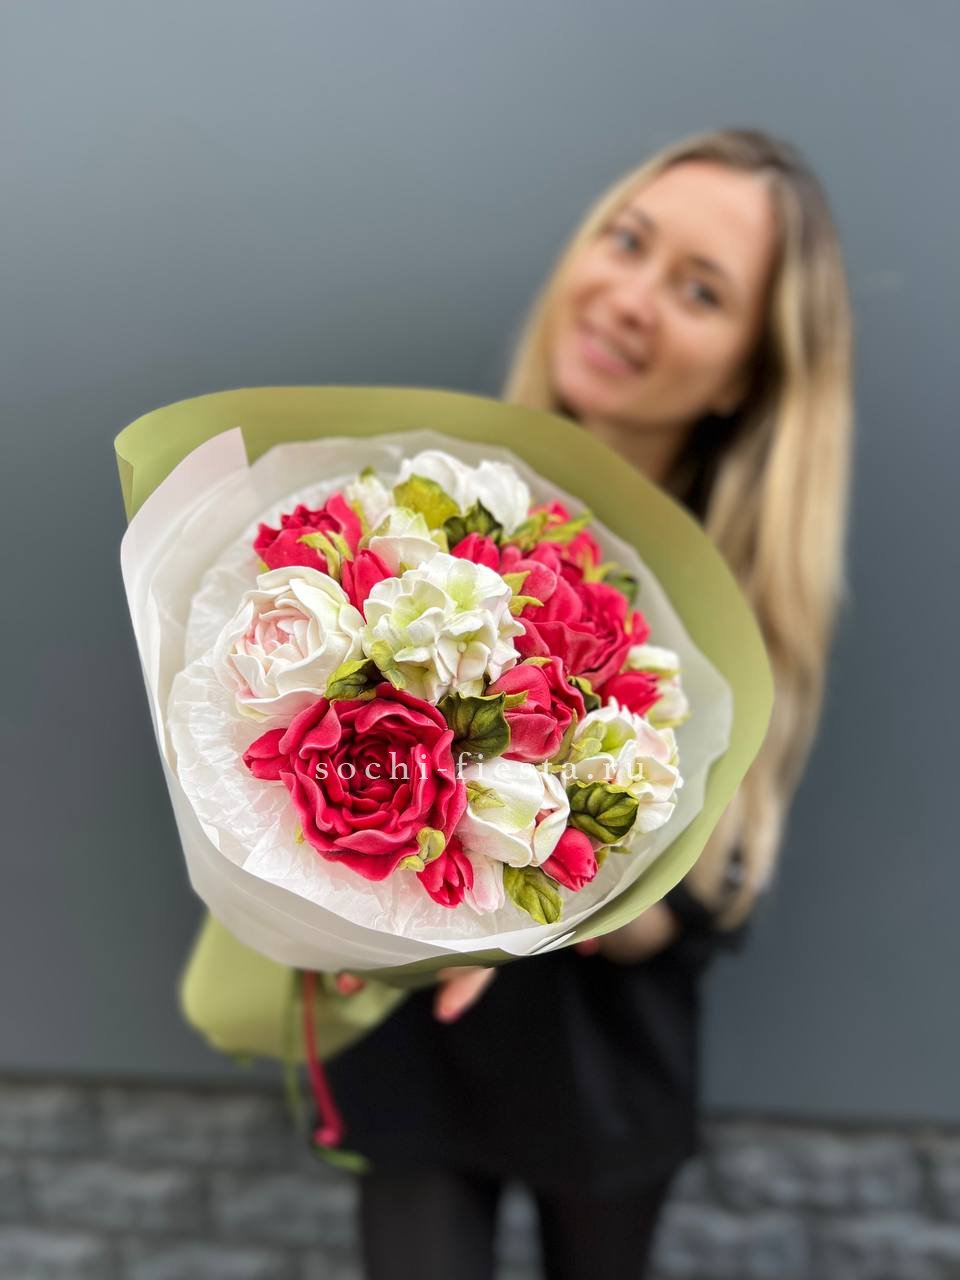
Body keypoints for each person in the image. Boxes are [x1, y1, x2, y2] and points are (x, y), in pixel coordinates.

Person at [324, 127, 855, 1280]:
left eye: (701, 290)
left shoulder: (732, 595)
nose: (631, 298)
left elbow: (703, 901)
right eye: (628, 240)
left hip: (601, 1070)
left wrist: (551, 887)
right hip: (422, 1046)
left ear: (745, 374)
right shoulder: (434, 513)